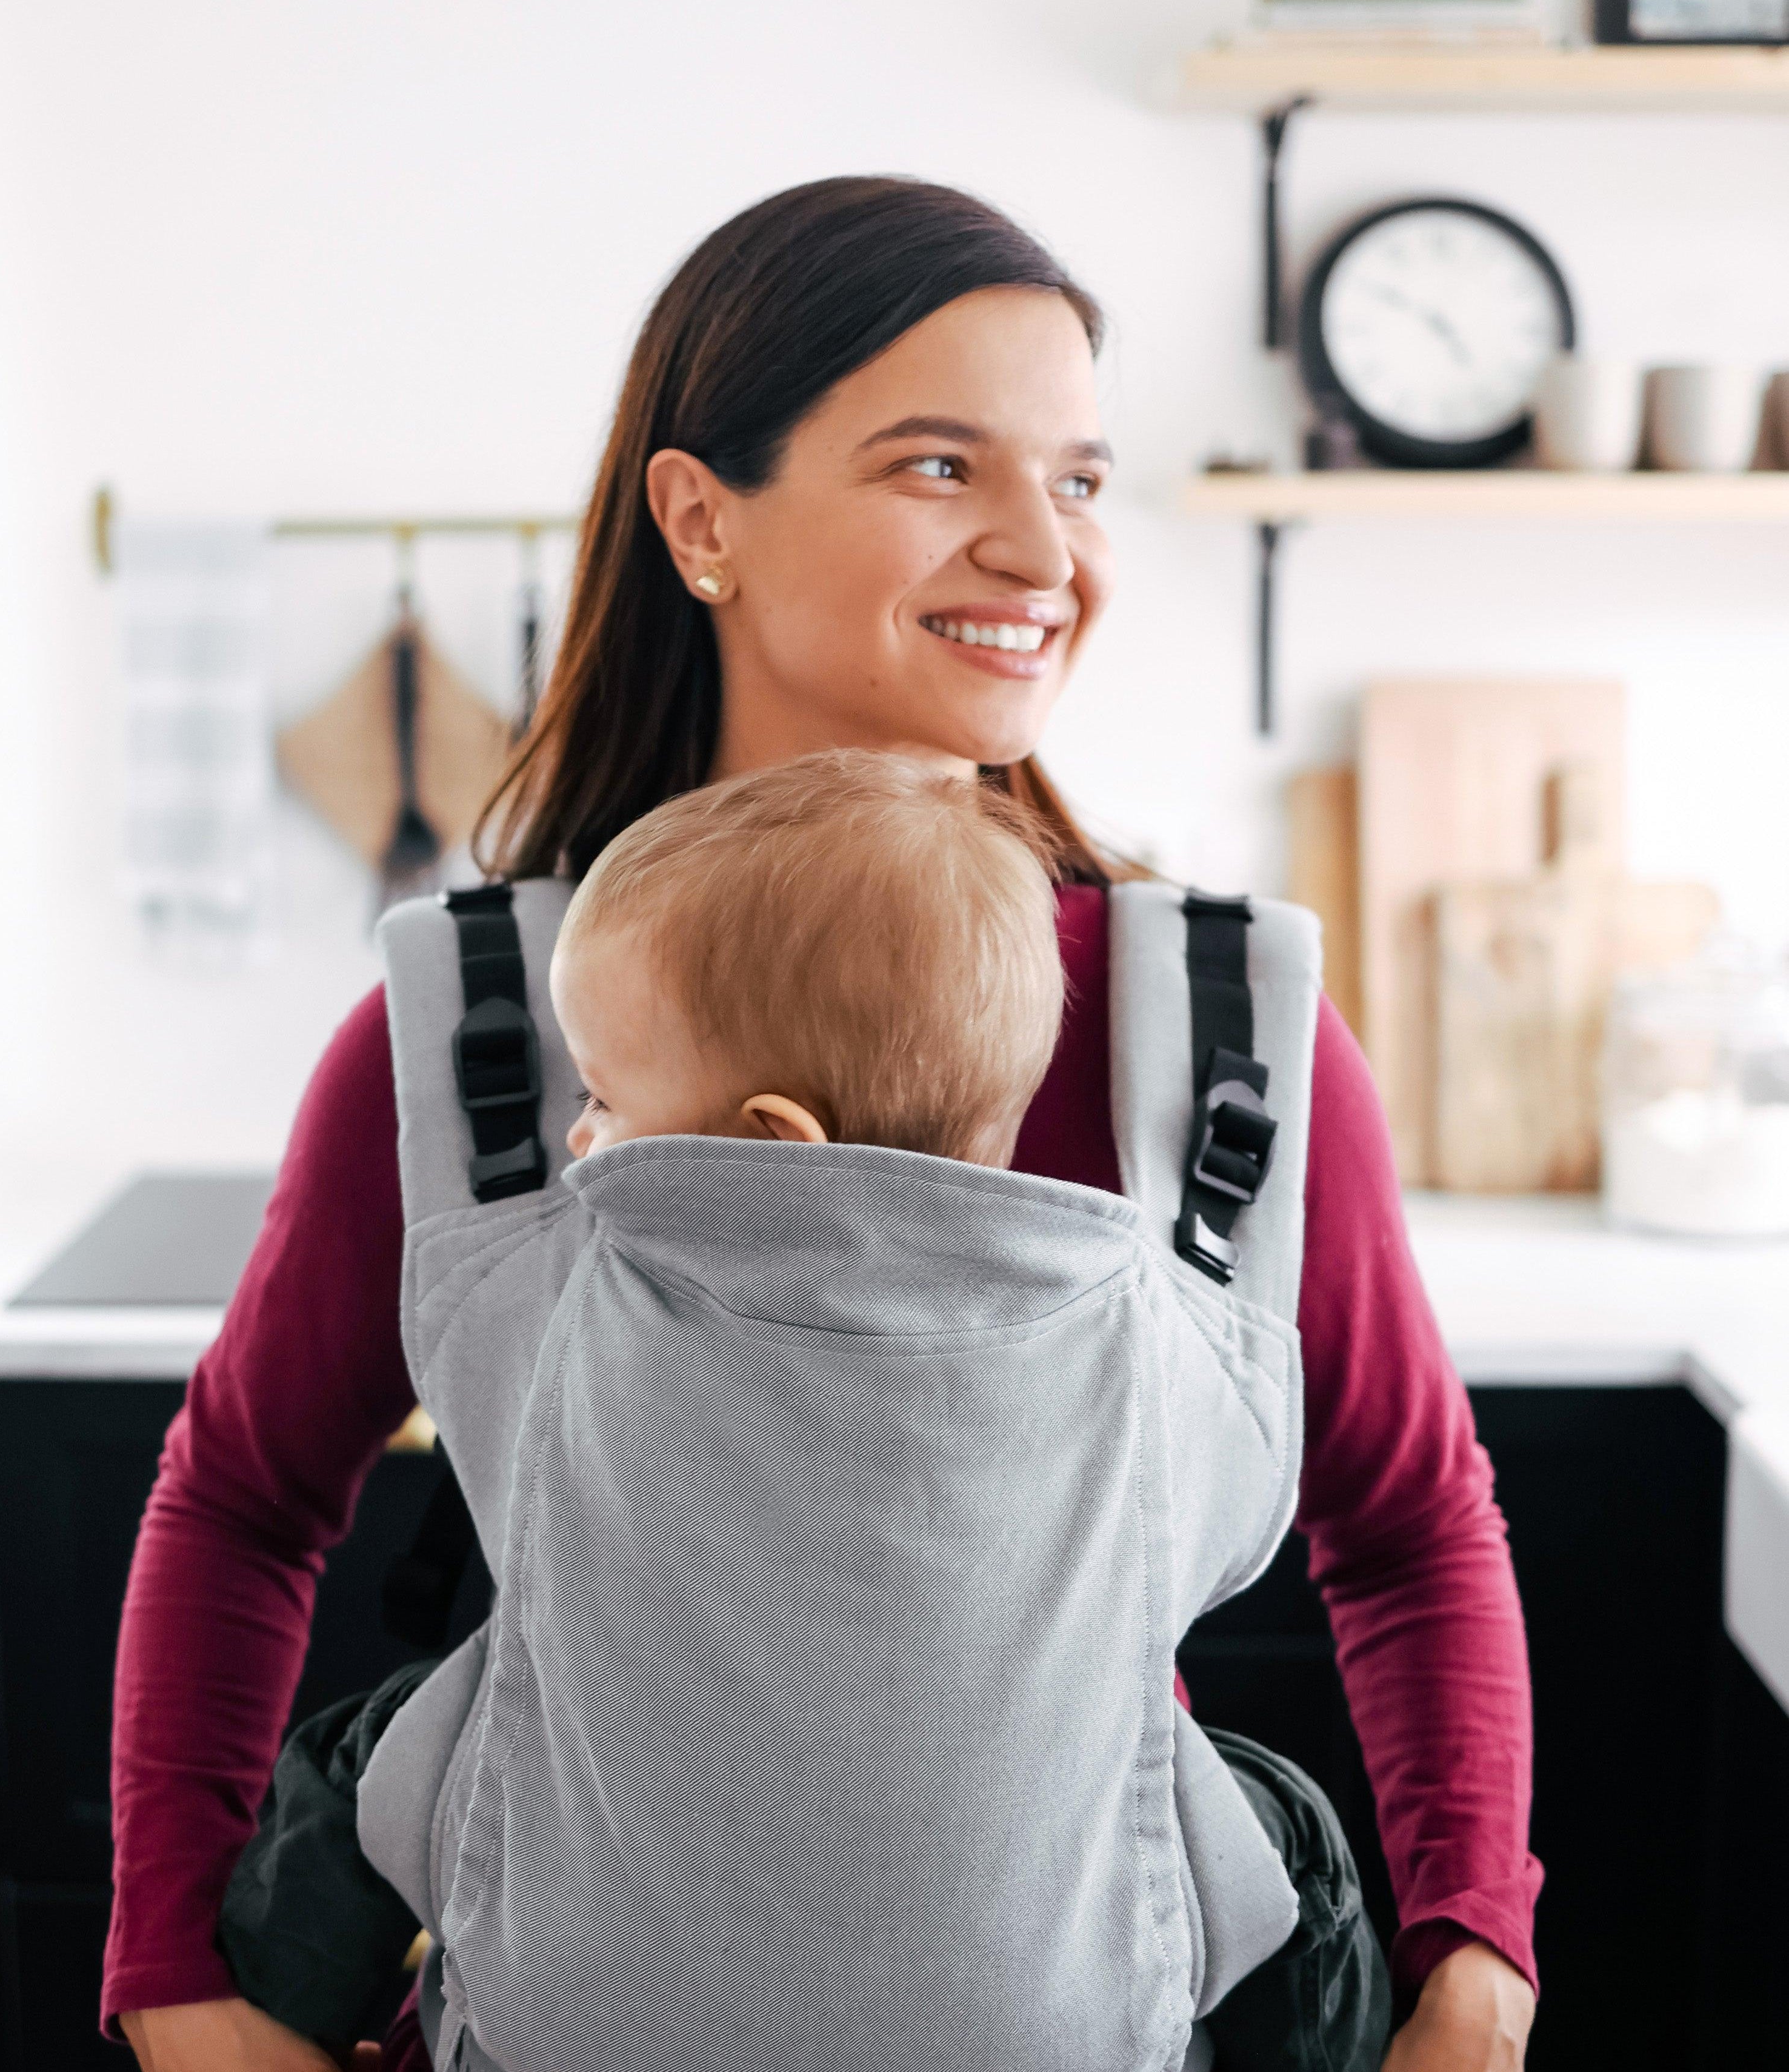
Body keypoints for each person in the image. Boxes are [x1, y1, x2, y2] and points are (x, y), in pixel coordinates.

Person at [108, 177, 1539, 2072]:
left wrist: (1471, 1970)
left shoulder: (1213, 1038)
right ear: (701, 516)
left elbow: (1411, 1523)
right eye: (940, 464)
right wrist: (181, 1987)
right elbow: (239, 1494)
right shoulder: (474, 1030)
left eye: (1083, 480)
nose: (1045, 548)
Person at [214, 750, 1387, 2071]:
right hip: (1059, 2034)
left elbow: (232, 1499)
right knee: (1284, 1824)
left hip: (564, 2034)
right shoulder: (1164, 1343)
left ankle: (275, 2017)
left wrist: (205, 1999)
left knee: (371, 1748)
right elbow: (1360, 1528)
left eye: (602, 1096)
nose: (577, 1143)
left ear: (771, 1146)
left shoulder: (536, 1301)